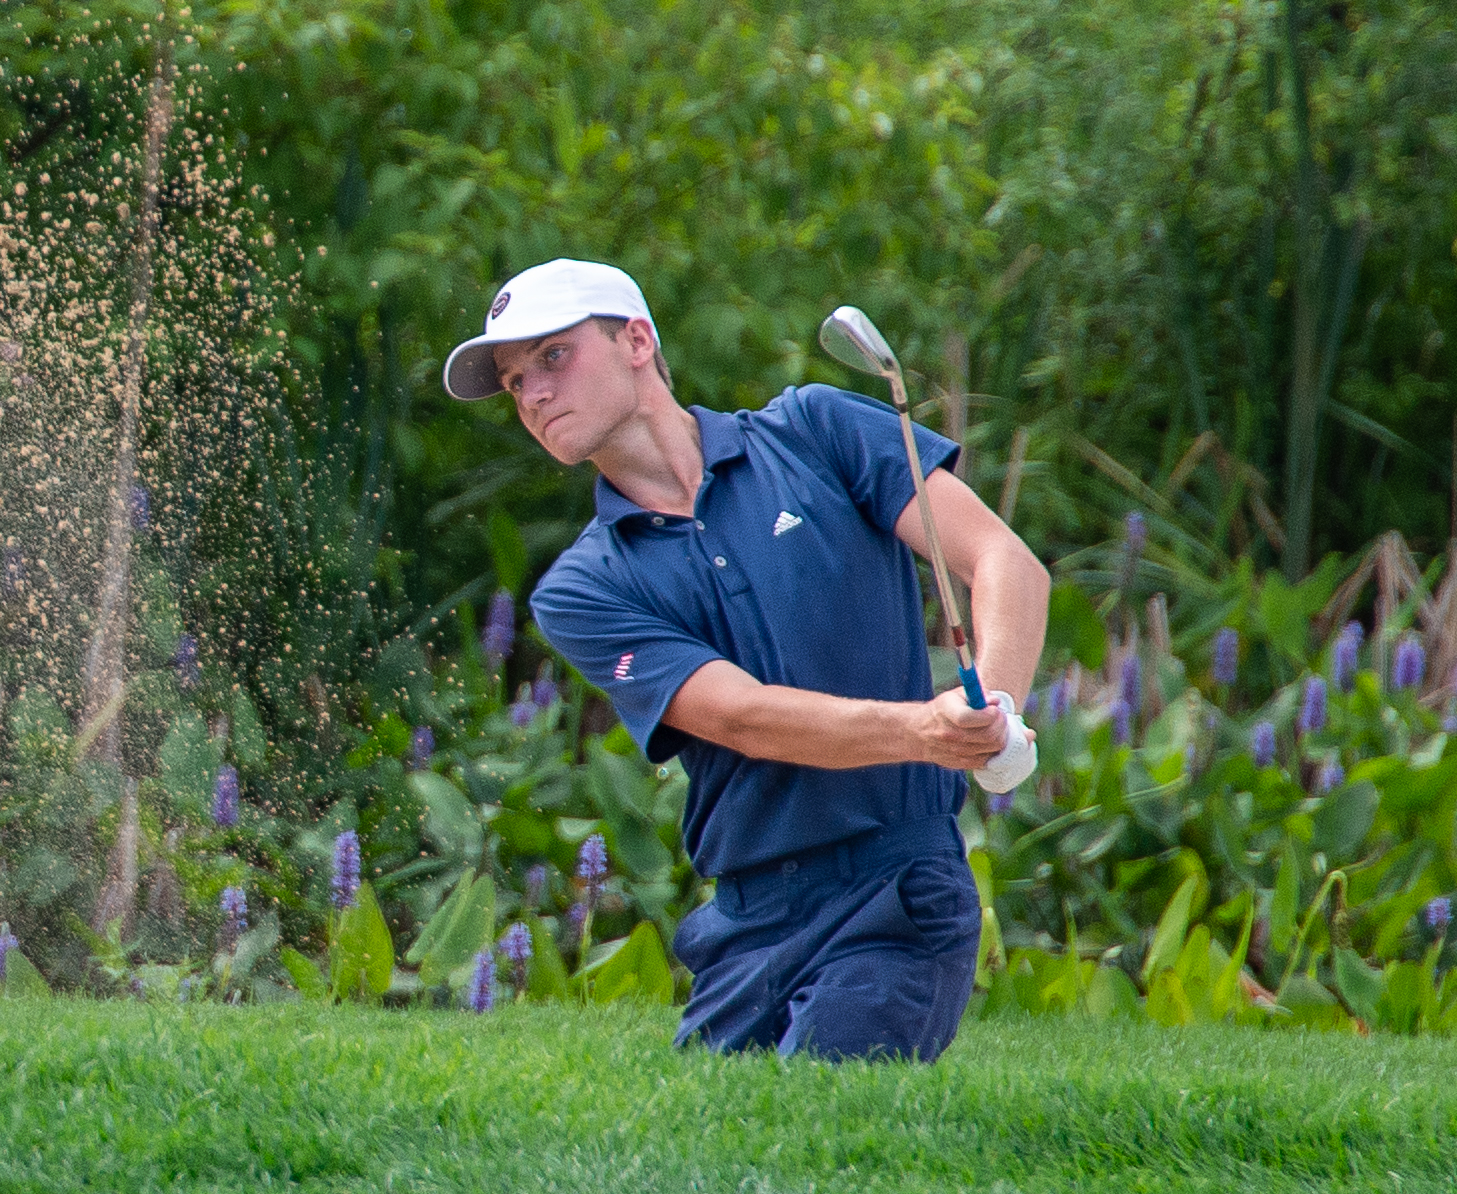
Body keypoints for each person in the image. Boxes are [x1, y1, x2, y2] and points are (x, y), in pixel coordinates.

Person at [447, 257, 1049, 1061]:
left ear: (635, 340)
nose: (534, 394)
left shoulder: (817, 430)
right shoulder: (584, 587)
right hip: (747, 919)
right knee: (707, 1163)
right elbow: (740, 716)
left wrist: (994, 714)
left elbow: (1003, 561)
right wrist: (926, 730)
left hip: (897, 890)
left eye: (553, 356)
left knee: (816, 1123)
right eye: (516, 382)